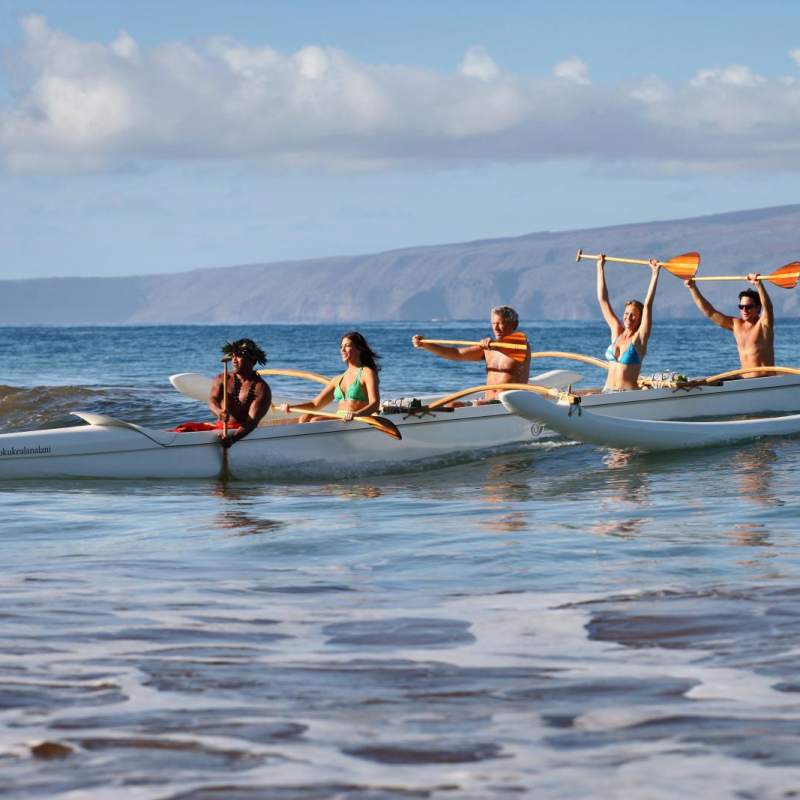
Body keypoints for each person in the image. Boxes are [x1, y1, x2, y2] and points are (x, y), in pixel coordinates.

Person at [411, 306, 531, 402]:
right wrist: (426, 345)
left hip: (512, 403)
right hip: (488, 400)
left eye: (501, 323)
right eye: (493, 323)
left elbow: (514, 347)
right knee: (452, 404)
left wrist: (494, 345)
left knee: (478, 404)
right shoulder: (489, 348)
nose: (496, 328)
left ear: (514, 325)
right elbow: (457, 353)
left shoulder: (521, 344)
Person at [684, 274, 774, 377]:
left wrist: (759, 285)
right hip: (744, 381)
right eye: (741, 306)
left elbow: (768, 308)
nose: (744, 310)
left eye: (748, 307)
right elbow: (710, 312)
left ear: (758, 308)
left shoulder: (764, 325)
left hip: (765, 381)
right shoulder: (736, 325)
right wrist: (692, 288)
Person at [283, 331, 381, 422]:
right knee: (305, 417)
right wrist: (291, 407)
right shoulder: (337, 379)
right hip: (340, 418)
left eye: (347, 346)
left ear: (359, 349)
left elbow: (375, 404)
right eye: (341, 346)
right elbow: (315, 404)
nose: (342, 350)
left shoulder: (367, 373)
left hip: (357, 419)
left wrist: (356, 414)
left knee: (315, 421)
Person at [597, 255, 661, 391]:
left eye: (633, 315)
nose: (628, 318)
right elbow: (603, 300)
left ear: (639, 318)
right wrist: (600, 267)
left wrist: (655, 274)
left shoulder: (640, 339)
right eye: (626, 314)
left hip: (627, 397)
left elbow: (648, 305)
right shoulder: (617, 332)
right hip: (606, 392)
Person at [208, 338, 272, 448]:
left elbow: (251, 422)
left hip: (240, 431)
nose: (234, 360)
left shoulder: (261, 389)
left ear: (253, 360)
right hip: (221, 427)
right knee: (184, 429)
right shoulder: (222, 379)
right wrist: (219, 412)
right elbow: (212, 399)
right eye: (232, 356)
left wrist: (233, 439)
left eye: (238, 356)